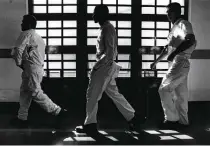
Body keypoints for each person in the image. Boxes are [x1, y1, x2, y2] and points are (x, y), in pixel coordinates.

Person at [75, 4, 141, 134]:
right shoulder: (104, 28)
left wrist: (96, 66)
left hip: (104, 66)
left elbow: (110, 53)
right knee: (115, 94)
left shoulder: (107, 28)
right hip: (106, 66)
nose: (92, 15)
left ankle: (90, 125)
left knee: (92, 95)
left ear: (101, 14)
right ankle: (133, 117)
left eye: (95, 13)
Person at [10, 14, 67, 129]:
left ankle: (58, 111)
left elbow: (18, 51)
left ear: (29, 24)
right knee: (25, 92)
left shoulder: (25, 34)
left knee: (35, 92)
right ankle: (22, 117)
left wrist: (19, 63)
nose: (21, 24)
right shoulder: (38, 37)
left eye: (23, 22)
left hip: (31, 69)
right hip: (36, 68)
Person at [150, 2, 196, 128]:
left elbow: (190, 39)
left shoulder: (183, 24)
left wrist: (174, 53)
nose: (168, 15)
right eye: (167, 12)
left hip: (180, 61)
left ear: (177, 12)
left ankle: (171, 120)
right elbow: (167, 49)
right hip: (177, 63)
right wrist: (156, 61)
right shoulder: (174, 28)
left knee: (164, 89)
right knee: (180, 95)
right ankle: (183, 122)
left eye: (170, 12)